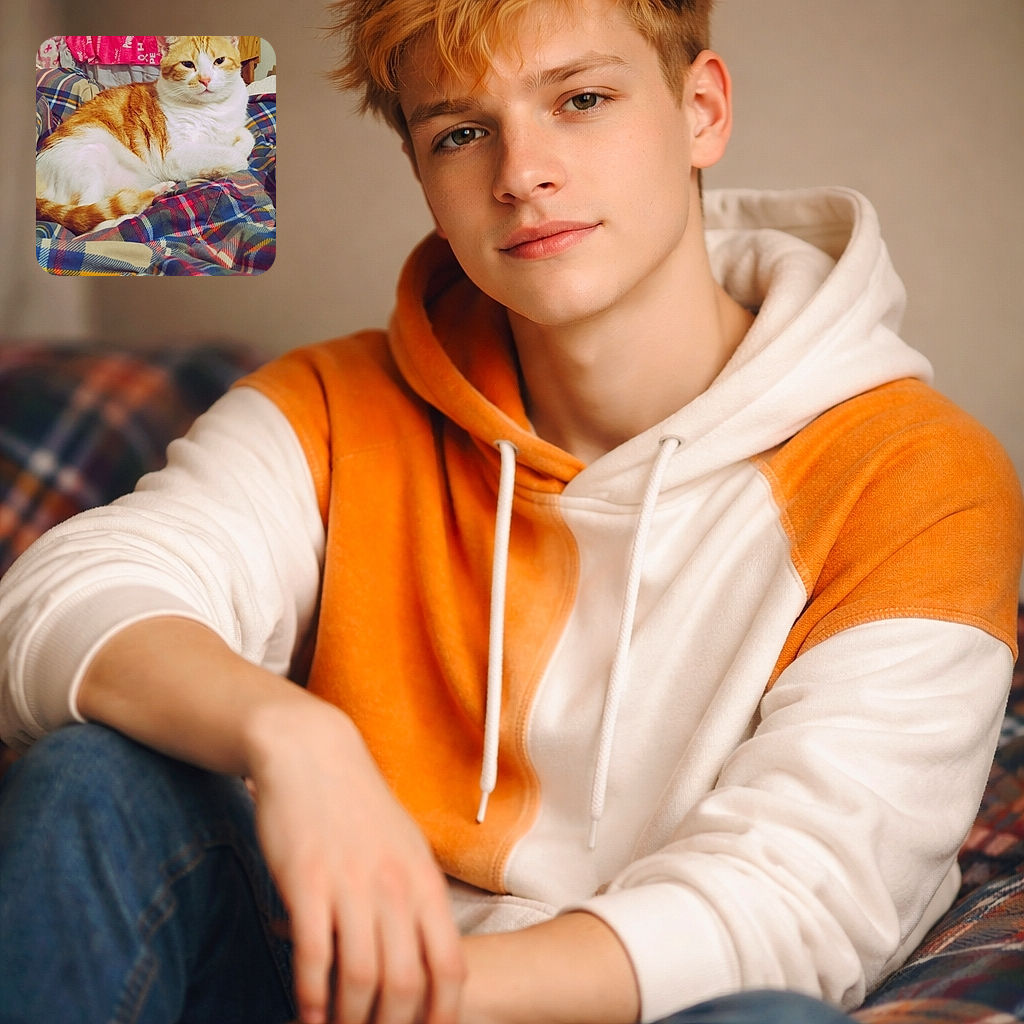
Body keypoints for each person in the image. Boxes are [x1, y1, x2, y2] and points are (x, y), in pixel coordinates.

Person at [1, 1, 1021, 1022]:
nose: (520, 173)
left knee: (770, 1021)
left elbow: (800, 902)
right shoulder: (329, 407)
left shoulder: (916, 476)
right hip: (308, 983)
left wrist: (426, 996)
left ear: (701, 110)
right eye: (460, 131)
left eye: (581, 100)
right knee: (92, 779)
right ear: (423, 179)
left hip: (594, 1005)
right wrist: (292, 736)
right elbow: (49, 604)